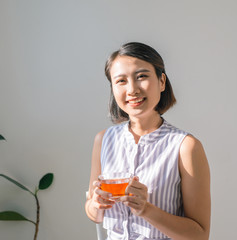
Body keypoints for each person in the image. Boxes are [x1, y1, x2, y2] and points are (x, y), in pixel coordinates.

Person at [85, 42, 210, 240]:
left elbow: (199, 235)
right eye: (121, 81)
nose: (132, 89)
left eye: (141, 76)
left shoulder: (185, 147)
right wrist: (95, 204)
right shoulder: (103, 140)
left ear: (162, 82)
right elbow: (94, 214)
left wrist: (146, 209)